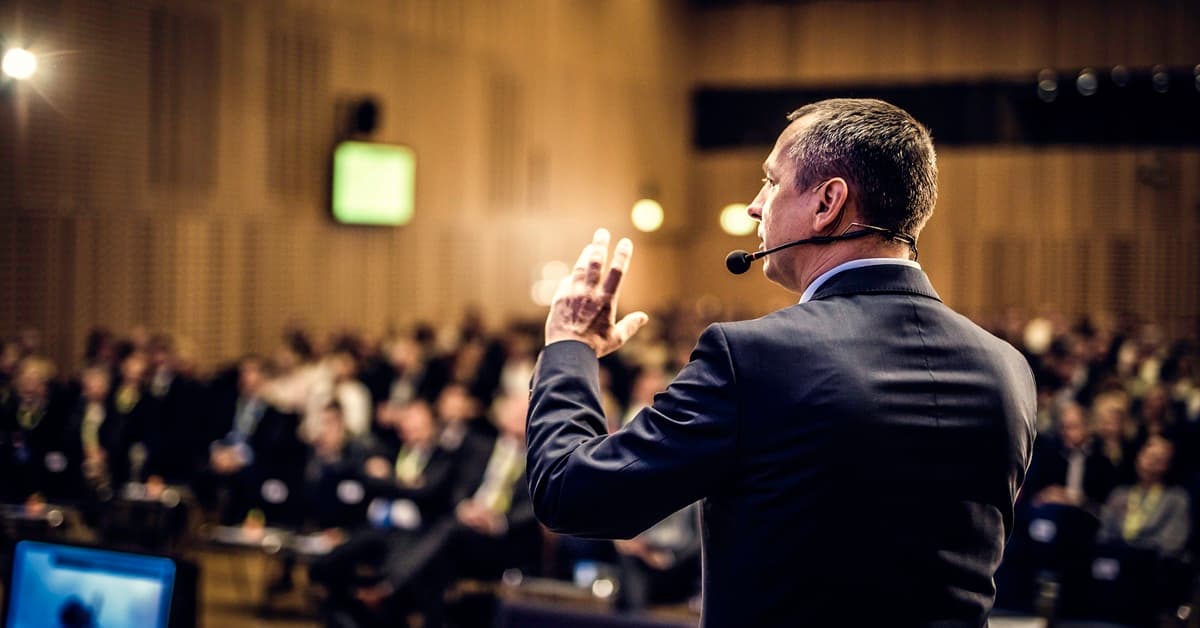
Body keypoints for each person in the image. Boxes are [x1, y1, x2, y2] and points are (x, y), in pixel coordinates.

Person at [526, 98, 1037, 626]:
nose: (754, 205)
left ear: (827, 204)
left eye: (770, 182)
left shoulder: (754, 358)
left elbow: (571, 492)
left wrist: (570, 345)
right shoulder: (1007, 371)